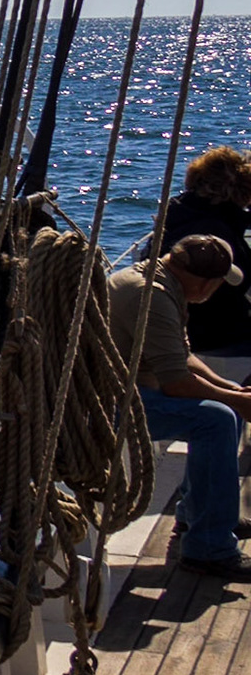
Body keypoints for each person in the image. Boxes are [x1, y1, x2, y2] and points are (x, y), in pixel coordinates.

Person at [109, 234, 251, 576]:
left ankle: (200, 517)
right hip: (107, 406)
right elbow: (175, 383)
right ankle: (208, 548)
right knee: (215, 419)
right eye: (216, 284)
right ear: (203, 283)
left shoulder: (161, 281)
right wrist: (237, 401)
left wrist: (231, 391)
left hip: (130, 391)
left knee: (226, 405)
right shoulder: (152, 298)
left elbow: (182, 357)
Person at [166, 146, 251, 354]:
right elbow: (238, 284)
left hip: (177, 325)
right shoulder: (215, 234)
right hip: (210, 334)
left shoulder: (180, 212)